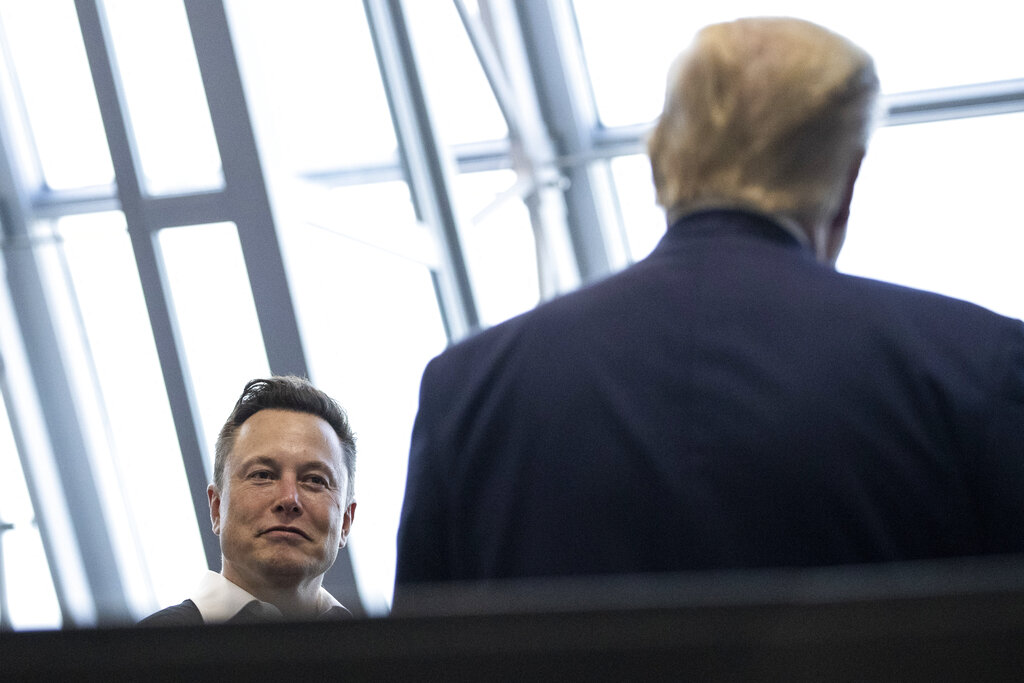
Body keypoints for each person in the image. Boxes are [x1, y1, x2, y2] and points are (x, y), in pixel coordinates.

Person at [394, 17, 1024, 592]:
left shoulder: (469, 387)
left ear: (660, 159)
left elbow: (418, 661)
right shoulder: (978, 368)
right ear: (847, 179)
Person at [140, 376, 357, 625]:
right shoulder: (139, 652)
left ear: (346, 522)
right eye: (262, 475)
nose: (289, 499)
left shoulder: (378, 656)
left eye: (315, 480)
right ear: (217, 508)